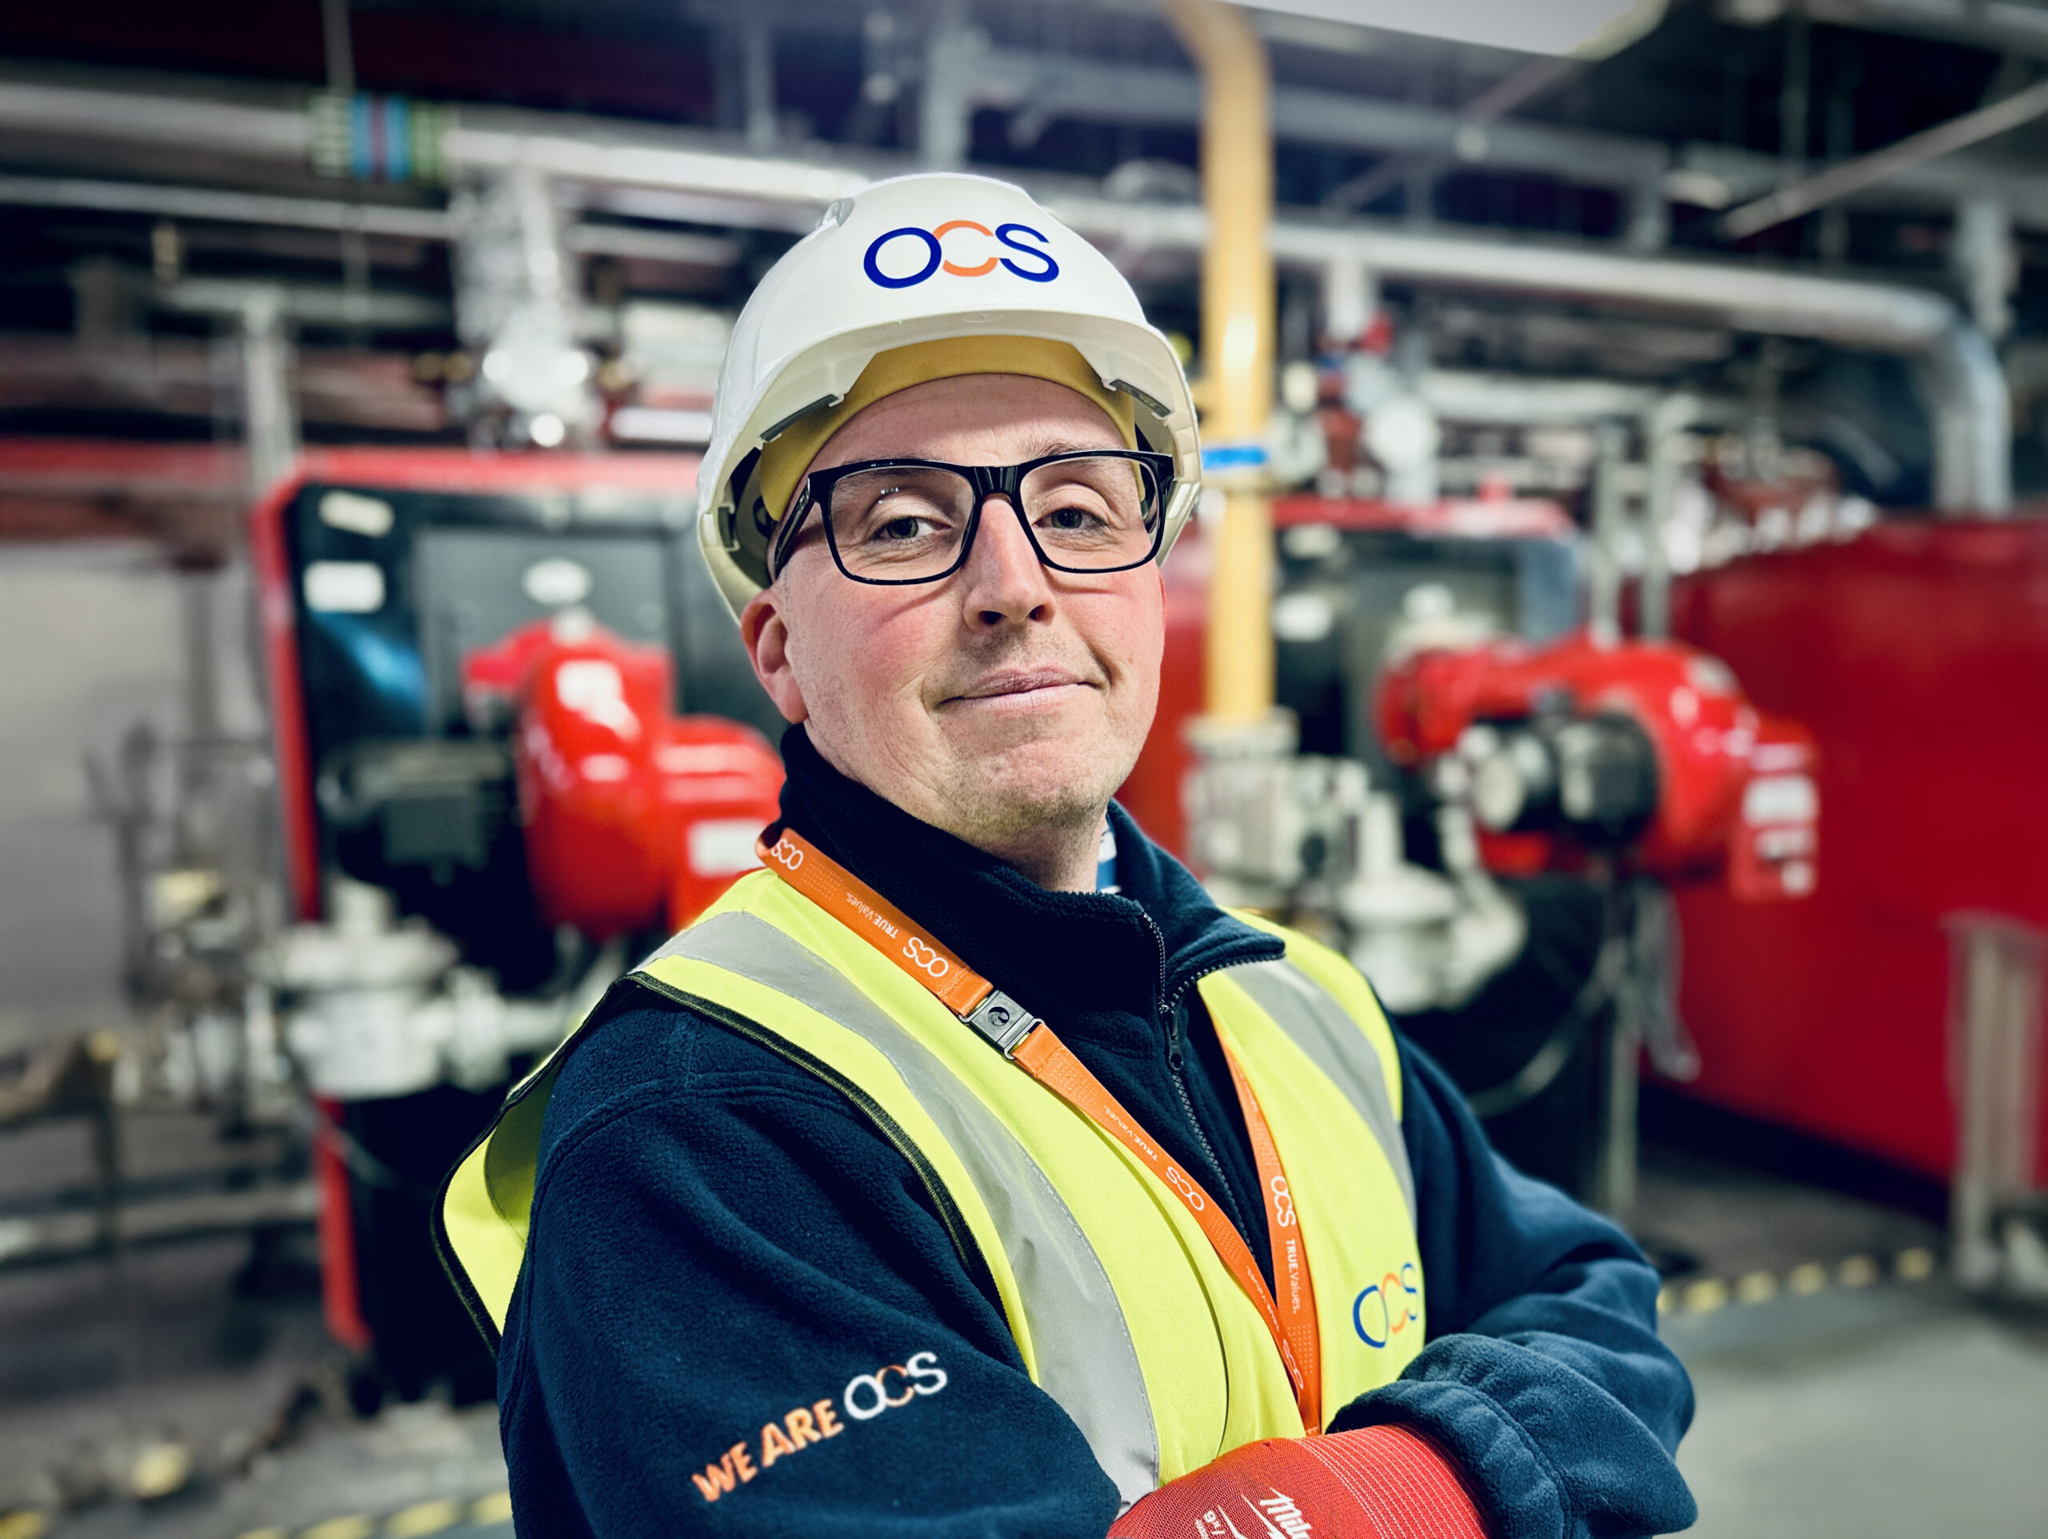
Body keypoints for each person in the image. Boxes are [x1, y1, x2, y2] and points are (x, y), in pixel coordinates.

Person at [438, 172, 1697, 1539]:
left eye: (1082, 511)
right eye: (903, 523)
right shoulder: (698, 1128)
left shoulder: (1295, 1001)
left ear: (1149, 588)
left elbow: (1599, 1306)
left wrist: (1406, 1483)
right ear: (780, 651)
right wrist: (1469, 1483)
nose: (1015, 583)